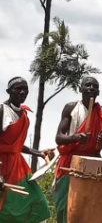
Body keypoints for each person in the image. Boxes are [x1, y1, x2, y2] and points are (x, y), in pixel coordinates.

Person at [53, 76, 102, 223]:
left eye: (95, 86)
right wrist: (76, 137)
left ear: (98, 92)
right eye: (88, 85)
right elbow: (59, 138)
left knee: (92, 207)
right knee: (67, 207)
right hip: (70, 162)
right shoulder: (71, 108)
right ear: (81, 89)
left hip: (93, 162)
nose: (91, 88)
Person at [0, 77, 52, 223]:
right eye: (18, 89)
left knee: (38, 204)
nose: (22, 92)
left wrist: (39, 153)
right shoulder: (2, 110)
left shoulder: (24, 114)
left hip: (19, 167)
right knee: (6, 209)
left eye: (25, 90)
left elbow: (17, 145)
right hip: (2, 166)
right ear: (8, 91)